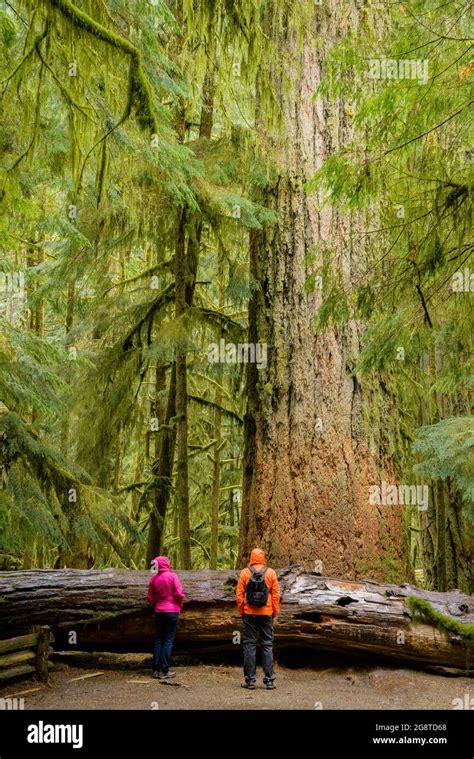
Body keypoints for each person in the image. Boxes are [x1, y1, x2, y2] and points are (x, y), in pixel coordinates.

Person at [236, 547, 280, 690]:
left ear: (251, 557)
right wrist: (274, 612)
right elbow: (275, 596)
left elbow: (239, 596)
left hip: (249, 614)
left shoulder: (244, 573)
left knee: (249, 645)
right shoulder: (271, 573)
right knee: (267, 645)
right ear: (263, 557)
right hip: (266, 613)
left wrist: (242, 611)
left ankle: (250, 681)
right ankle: (269, 681)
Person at [147, 555, 184, 679]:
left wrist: (156, 606)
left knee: (159, 639)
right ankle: (164, 669)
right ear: (166, 564)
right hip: (172, 611)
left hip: (158, 612)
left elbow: (150, 598)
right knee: (168, 640)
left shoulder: (153, 579)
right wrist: (179, 604)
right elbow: (179, 593)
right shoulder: (173, 576)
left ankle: (156, 670)